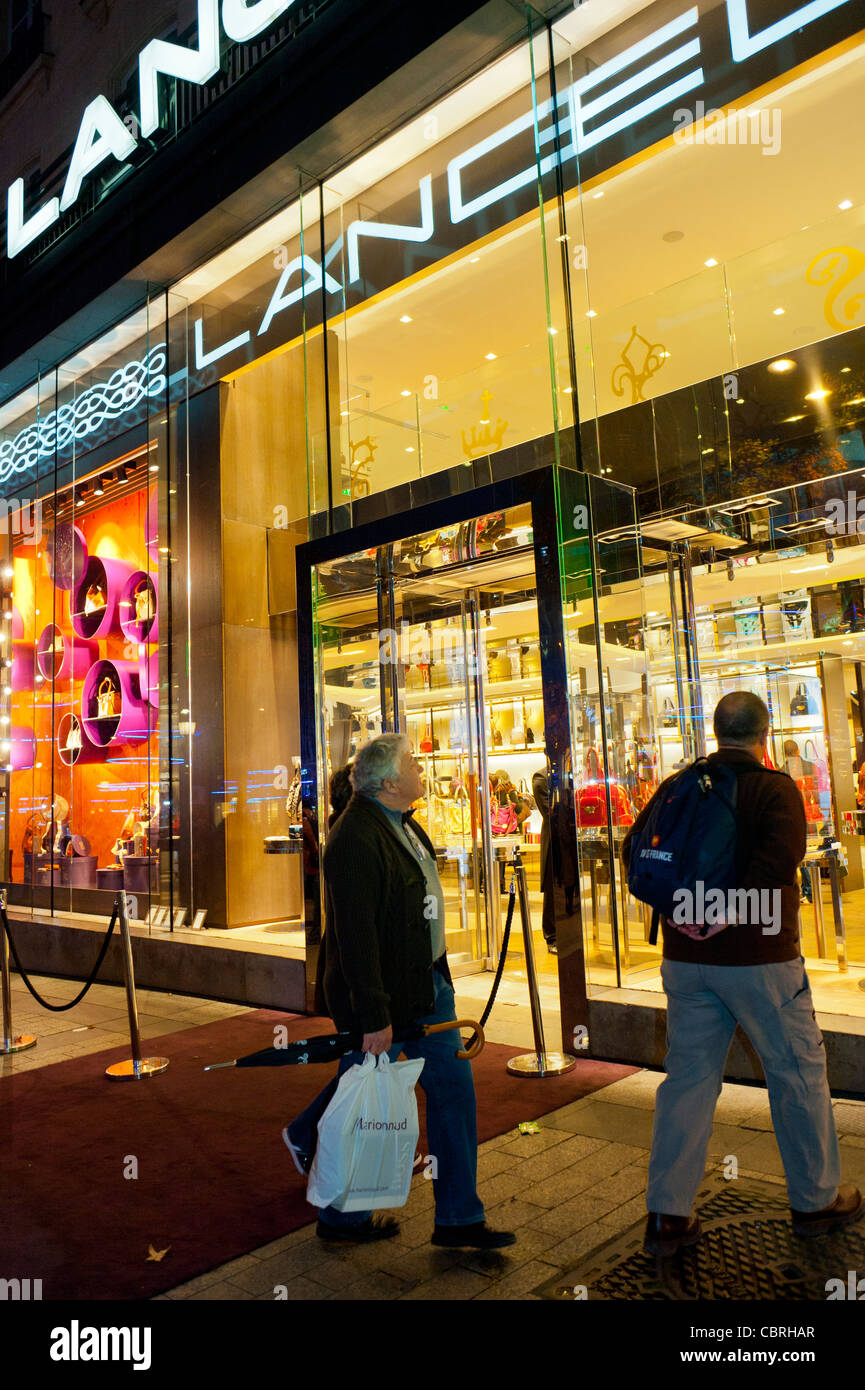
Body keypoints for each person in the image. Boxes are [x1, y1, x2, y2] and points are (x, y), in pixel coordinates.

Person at [623, 691, 862, 1256]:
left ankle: (668, 1213)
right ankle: (815, 1200)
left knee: (687, 1080)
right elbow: (776, 866)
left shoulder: (679, 783)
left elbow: (641, 855)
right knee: (796, 1072)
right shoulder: (775, 788)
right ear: (765, 731)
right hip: (760, 961)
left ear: (715, 731)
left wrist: (693, 919)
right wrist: (726, 916)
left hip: (685, 959)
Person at [285, 733, 516, 1249]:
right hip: (387, 999)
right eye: (411, 763)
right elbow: (355, 934)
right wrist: (372, 1014)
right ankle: (341, 1215)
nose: (419, 768)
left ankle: (459, 1219)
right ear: (388, 781)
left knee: (452, 1093)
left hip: (428, 988)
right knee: (360, 1101)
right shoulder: (353, 839)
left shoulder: (404, 826)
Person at [532, 758, 557, 952]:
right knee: (552, 887)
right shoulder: (541, 777)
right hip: (555, 840)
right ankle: (552, 935)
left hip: (570, 840)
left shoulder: (572, 775)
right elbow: (551, 812)